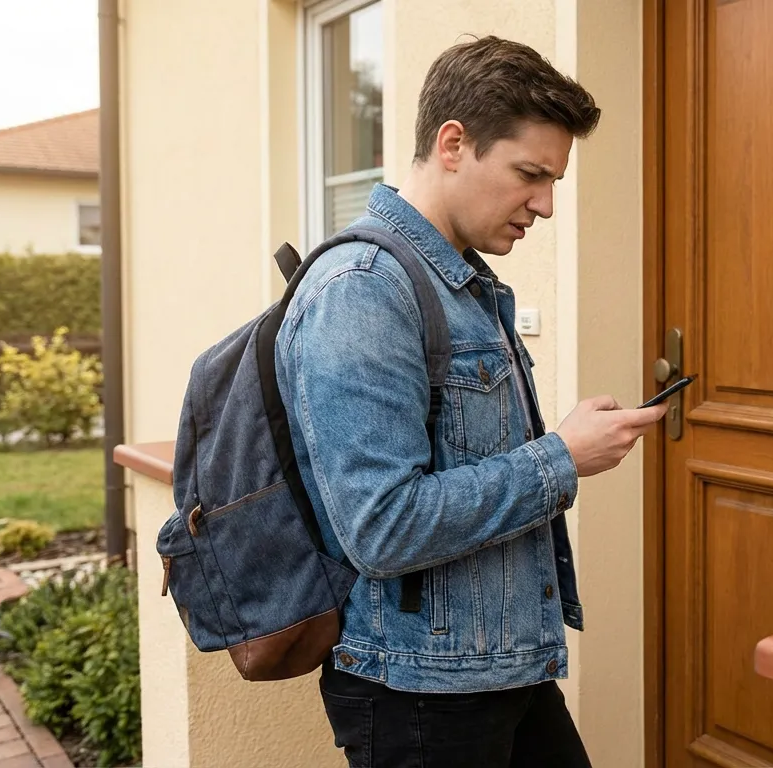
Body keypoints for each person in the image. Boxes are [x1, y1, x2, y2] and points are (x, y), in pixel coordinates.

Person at [274, 35, 665, 767]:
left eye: (553, 181)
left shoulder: (460, 283)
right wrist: (562, 459)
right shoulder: (364, 290)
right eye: (530, 174)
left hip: (494, 669)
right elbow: (382, 527)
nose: (545, 205)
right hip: (419, 696)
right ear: (453, 143)